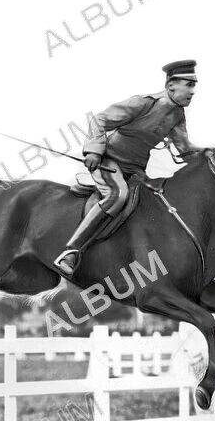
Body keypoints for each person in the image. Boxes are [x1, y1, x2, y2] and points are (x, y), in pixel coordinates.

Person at [53, 59, 205, 276]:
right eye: (189, 85)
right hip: (109, 162)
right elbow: (100, 120)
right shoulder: (143, 103)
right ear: (171, 85)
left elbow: (184, 148)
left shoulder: (177, 115)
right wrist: (94, 151)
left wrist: (209, 155)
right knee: (118, 195)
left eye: (194, 86)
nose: (193, 91)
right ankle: (70, 252)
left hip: (136, 171)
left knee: (154, 203)